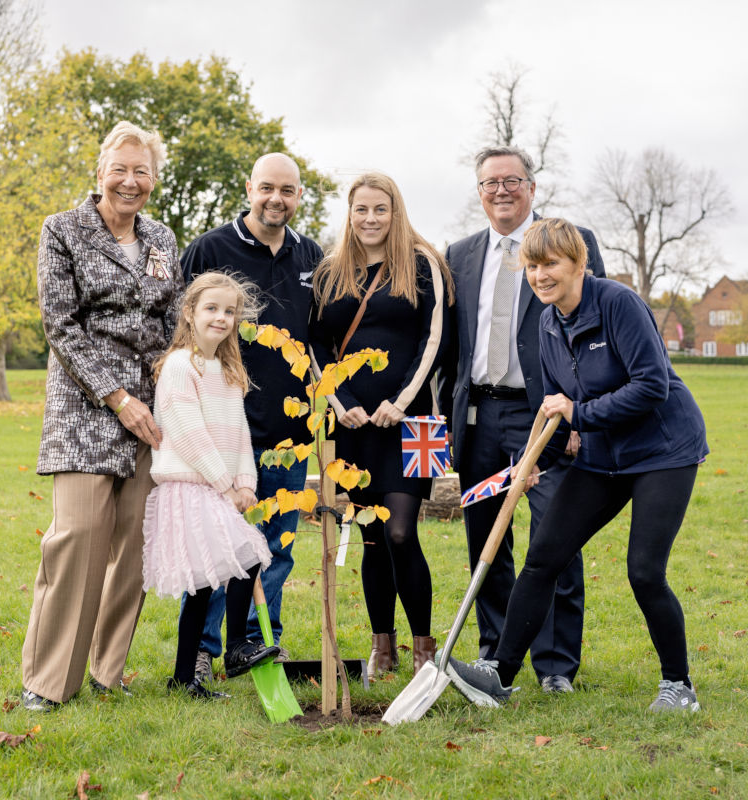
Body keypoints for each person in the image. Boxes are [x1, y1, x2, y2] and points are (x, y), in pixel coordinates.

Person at [442, 218, 708, 712]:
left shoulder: (617, 303)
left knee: (645, 571)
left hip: (662, 451)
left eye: (551, 265)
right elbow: (556, 405)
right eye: (533, 266)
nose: (541, 275)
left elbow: (652, 386)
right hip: (603, 455)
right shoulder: (547, 322)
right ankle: (499, 673)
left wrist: (579, 415)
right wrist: (533, 462)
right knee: (544, 557)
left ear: (579, 264)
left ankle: (678, 686)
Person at [21, 121, 185, 711]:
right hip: (88, 406)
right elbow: (61, 325)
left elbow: (174, 319)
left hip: (153, 413)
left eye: (142, 171)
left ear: (153, 179)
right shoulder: (62, 230)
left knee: (137, 542)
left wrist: (171, 372)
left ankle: (107, 670)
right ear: (99, 172)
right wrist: (118, 396)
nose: (130, 181)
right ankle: (47, 680)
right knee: (80, 536)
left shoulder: (163, 239)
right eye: (120, 168)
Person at [439, 145, 605, 693]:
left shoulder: (569, 242)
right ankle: (494, 651)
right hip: (480, 416)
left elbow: (593, 332)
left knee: (555, 534)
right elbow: (449, 345)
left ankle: (556, 666)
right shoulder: (459, 254)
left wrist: (581, 417)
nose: (502, 190)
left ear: (531, 188)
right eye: (490, 183)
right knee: (486, 533)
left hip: (549, 415)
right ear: (479, 192)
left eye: (513, 180)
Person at [181, 153, 323, 679]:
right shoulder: (209, 249)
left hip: (289, 433)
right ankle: (201, 648)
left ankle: (263, 641)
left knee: (275, 547)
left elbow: (321, 340)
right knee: (217, 547)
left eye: (287, 190)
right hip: (224, 431)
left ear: (299, 195)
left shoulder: (311, 256)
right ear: (249, 188)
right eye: (267, 188)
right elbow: (182, 333)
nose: (275, 199)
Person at [309, 172, 453, 678]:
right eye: (361, 210)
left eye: (380, 209)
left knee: (400, 532)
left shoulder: (422, 264)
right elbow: (317, 345)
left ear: (396, 212)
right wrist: (338, 399)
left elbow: (433, 339)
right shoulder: (331, 270)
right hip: (352, 424)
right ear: (349, 215)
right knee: (370, 535)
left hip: (414, 422)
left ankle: (424, 650)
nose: (370, 219)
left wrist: (402, 400)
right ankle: (382, 648)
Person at [143, 272, 279, 699]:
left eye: (229, 311)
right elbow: (187, 432)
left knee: (204, 586)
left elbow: (239, 434)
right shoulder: (181, 366)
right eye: (212, 309)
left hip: (218, 486)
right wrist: (225, 485)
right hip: (189, 485)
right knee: (250, 553)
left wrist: (245, 483)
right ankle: (237, 646)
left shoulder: (226, 369)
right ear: (190, 313)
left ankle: (185, 678)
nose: (221, 318)